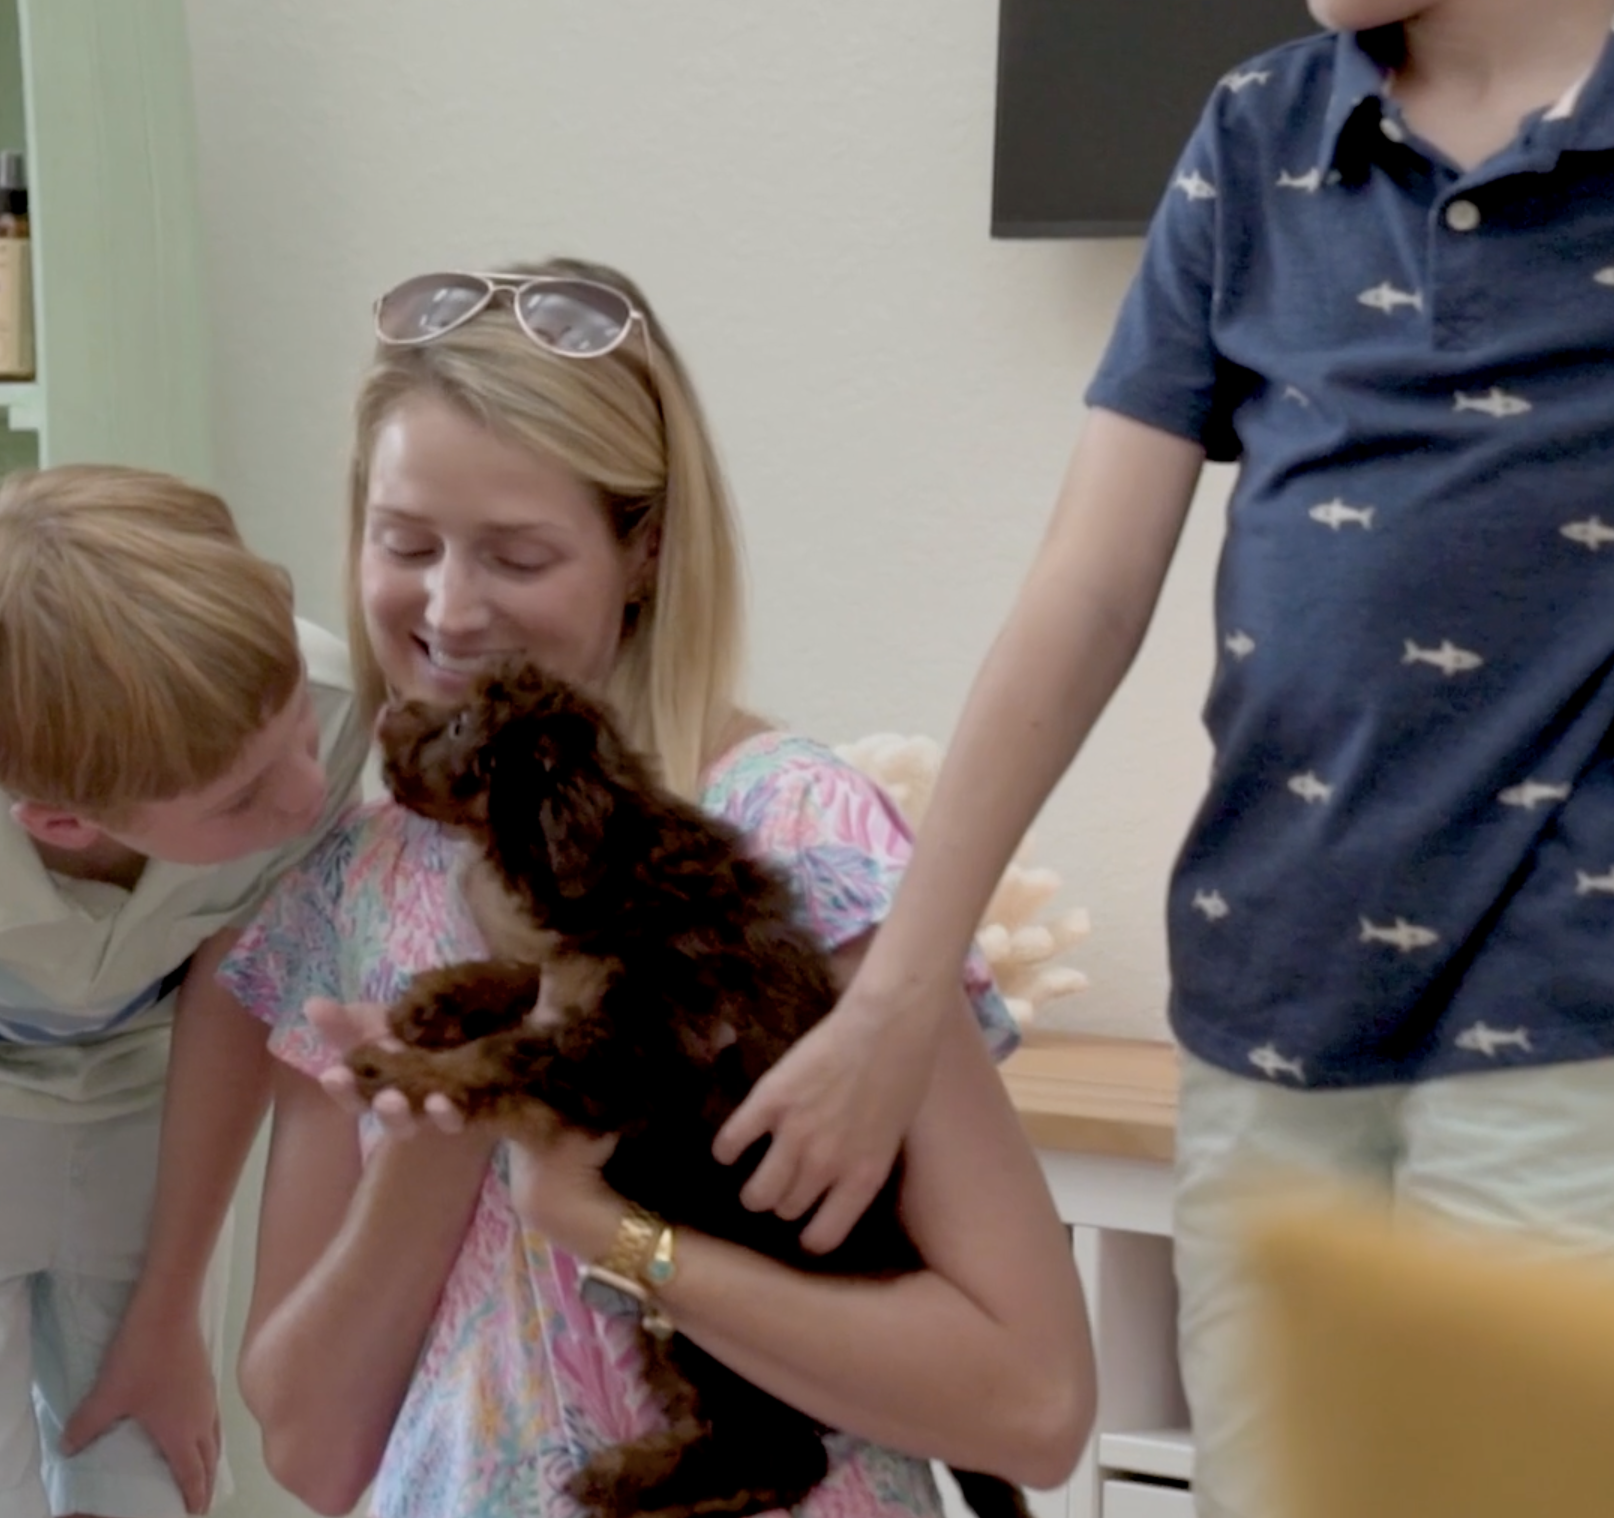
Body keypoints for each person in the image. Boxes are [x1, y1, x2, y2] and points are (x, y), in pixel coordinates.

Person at [709, 0, 1614, 1513]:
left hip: (1566, 1017)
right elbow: (1085, 592)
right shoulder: (1255, 141)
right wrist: (899, 993)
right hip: (1273, 1003)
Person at [225, 262, 1096, 1518]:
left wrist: (608, 1227)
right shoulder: (354, 887)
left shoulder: (792, 841)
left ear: (644, 548)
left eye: (517, 555)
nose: (448, 607)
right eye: (403, 542)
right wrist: (441, 1139)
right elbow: (310, 1450)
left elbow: (1033, 1404)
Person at [0, 465, 374, 1518]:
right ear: (63, 822)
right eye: (243, 795)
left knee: (148, 1461)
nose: (307, 792)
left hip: (154, 1079)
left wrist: (168, 1316)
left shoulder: (328, 708)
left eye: (297, 731)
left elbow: (236, 985)